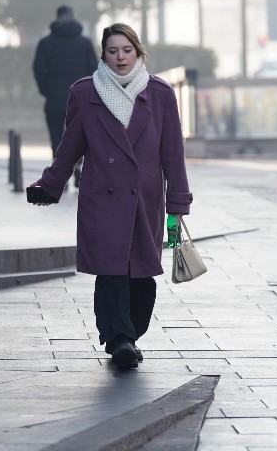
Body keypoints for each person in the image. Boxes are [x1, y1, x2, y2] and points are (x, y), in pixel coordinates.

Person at [29, 23, 192, 370]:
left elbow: (173, 154)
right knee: (111, 272)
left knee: (142, 279)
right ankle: (119, 339)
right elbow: (70, 147)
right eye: (113, 51)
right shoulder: (85, 93)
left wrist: (178, 203)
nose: (120, 57)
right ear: (103, 54)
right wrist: (50, 184)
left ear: (138, 52)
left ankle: (130, 334)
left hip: (144, 201)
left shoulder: (160, 94)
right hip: (102, 200)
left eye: (126, 50)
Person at [32, 5, 98, 185]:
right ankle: (77, 169)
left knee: (57, 136)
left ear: (57, 17)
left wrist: (47, 90)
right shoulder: (85, 43)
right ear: (73, 17)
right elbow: (94, 70)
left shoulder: (46, 43)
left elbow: (38, 70)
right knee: (79, 136)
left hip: (54, 99)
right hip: (81, 100)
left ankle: (60, 173)